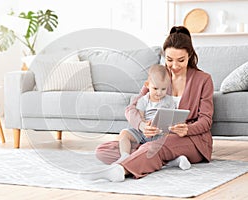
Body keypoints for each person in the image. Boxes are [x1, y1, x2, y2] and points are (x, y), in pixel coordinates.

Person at [80, 26, 214, 182]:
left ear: (190, 56)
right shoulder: (159, 75)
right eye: (170, 60)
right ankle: (169, 161)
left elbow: (206, 121)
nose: (175, 66)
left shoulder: (203, 80)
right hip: (156, 138)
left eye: (181, 60)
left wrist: (187, 129)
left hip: (191, 140)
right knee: (103, 150)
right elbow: (131, 108)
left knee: (152, 148)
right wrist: (142, 126)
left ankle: (120, 170)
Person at [115, 64, 191, 170]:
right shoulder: (143, 100)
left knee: (163, 146)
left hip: (161, 133)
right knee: (124, 134)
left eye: (163, 89)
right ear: (147, 85)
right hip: (144, 132)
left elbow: (171, 117)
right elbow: (140, 117)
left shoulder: (169, 101)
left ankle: (176, 160)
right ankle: (125, 155)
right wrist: (144, 125)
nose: (159, 93)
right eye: (155, 88)